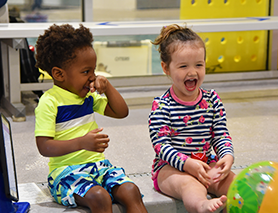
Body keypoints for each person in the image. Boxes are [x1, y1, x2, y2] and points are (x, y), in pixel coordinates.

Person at [34, 24, 147, 213]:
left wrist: (107, 86)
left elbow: (121, 112)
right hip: (65, 172)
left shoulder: (88, 95)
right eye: (86, 72)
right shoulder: (49, 102)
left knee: (131, 190)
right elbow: (44, 147)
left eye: (93, 71)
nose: (92, 77)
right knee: (99, 197)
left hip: (98, 167)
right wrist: (81, 143)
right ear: (59, 74)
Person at [148, 24, 235, 213]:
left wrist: (227, 155)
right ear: (166, 68)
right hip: (170, 169)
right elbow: (160, 146)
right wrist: (187, 164)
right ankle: (201, 206)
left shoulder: (212, 99)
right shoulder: (162, 105)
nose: (192, 72)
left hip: (204, 162)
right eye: (183, 66)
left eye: (198, 64)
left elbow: (220, 135)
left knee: (232, 181)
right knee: (189, 184)